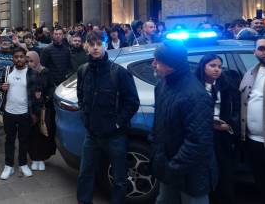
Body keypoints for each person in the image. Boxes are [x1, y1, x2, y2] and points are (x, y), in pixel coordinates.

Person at [76, 31, 140, 204]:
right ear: (87, 47)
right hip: (92, 134)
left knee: (119, 177)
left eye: (99, 44)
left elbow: (132, 102)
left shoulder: (119, 72)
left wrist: (117, 124)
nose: (96, 48)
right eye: (92, 44)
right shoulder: (83, 71)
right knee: (85, 173)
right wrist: (85, 117)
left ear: (105, 45)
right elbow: (80, 96)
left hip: (115, 136)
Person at [151, 40, 217, 204]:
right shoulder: (161, 86)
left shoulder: (195, 95)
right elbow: (159, 126)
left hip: (192, 175)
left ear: (171, 65)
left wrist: (173, 168)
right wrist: (158, 156)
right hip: (168, 169)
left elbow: (198, 142)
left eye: (157, 62)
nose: (153, 64)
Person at [195, 54, 240, 204]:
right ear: (203, 66)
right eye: (212, 66)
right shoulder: (195, 86)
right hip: (202, 134)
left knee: (225, 172)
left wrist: (230, 126)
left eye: (219, 67)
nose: (217, 70)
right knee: (206, 172)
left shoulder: (225, 85)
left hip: (222, 135)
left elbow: (235, 109)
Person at [239, 34, 265, 204]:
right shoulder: (250, 73)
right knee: (261, 182)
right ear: (255, 52)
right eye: (262, 48)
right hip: (253, 141)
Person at [0, 47, 39, 180]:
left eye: (21, 56)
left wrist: (35, 113)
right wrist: (1, 86)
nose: (19, 59)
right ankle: (8, 165)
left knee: (24, 140)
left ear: (25, 58)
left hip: (25, 113)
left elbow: (36, 94)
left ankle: (23, 164)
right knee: (9, 139)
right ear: (13, 58)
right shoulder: (7, 71)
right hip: (9, 112)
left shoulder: (32, 73)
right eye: (16, 57)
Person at [26, 51, 55, 171]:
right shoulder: (25, 73)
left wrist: (45, 97)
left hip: (43, 109)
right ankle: (34, 158)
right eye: (27, 61)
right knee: (31, 134)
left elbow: (51, 87)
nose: (29, 64)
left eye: (31, 61)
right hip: (30, 108)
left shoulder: (45, 72)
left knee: (42, 133)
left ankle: (41, 158)